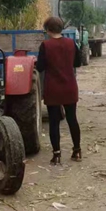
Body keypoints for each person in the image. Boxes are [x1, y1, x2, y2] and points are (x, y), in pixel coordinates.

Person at [36, 16, 82, 164]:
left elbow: (41, 67)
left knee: (54, 123)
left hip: (53, 88)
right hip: (69, 87)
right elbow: (78, 62)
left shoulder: (46, 45)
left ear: (48, 30)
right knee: (72, 119)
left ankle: (56, 155)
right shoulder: (71, 43)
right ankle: (77, 151)